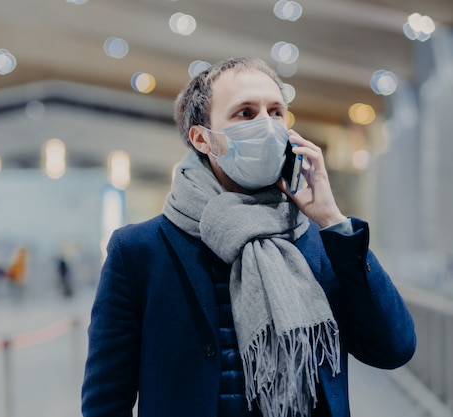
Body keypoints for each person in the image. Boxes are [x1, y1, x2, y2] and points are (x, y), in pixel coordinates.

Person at [81, 57, 416, 417]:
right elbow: (106, 401)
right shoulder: (139, 251)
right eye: (245, 113)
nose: (267, 126)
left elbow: (393, 348)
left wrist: (334, 221)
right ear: (202, 138)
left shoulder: (317, 242)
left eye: (276, 112)